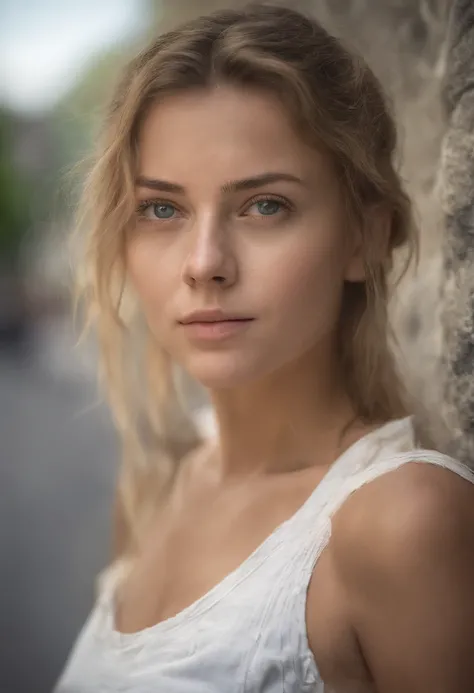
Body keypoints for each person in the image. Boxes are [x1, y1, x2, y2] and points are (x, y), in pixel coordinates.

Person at [55, 3, 474, 692]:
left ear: (365, 237)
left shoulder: (401, 525)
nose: (205, 262)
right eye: (162, 208)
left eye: (264, 205)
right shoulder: (156, 489)